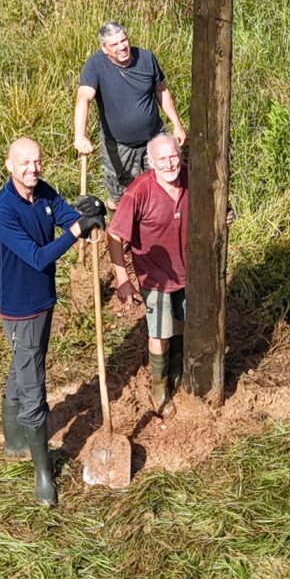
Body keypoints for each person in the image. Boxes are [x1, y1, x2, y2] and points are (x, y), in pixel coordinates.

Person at [0, 136, 104, 506]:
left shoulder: (44, 192)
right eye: (24, 163)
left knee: (24, 361)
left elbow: (71, 216)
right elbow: (37, 257)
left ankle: (15, 440)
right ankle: (42, 475)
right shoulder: (1, 212)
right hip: (20, 308)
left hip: (44, 301)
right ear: (8, 165)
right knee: (33, 383)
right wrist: (76, 231)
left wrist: (88, 213)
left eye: (37, 162)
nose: (32, 169)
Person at [107, 133, 187, 412]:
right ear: (150, 162)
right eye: (162, 159)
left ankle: (179, 371)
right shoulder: (139, 191)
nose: (169, 164)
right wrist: (122, 280)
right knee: (160, 333)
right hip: (155, 277)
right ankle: (159, 389)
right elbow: (115, 236)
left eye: (173, 156)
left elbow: (217, 207)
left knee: (184, 324)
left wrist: (226, 215)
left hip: (190, 273)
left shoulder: (192, 179)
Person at [74, 22, 185, 205]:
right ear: (104, 48)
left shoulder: (146, 58)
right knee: (121, 196)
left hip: (154, 136)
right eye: (115, 44)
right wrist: (80, 136)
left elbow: (162, 91)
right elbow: (83, 98)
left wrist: (177, 125)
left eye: (124, 40)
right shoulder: (95, 65)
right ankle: (117, 232)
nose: (122, 47)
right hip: (119, 144)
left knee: (167, 183)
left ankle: (163, 227)